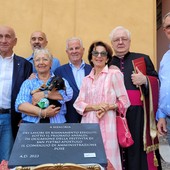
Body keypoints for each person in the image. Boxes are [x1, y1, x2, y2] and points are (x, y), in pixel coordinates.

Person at [109, 26, 162, 170]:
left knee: (138, 151)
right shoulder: (106, 62)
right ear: (112, 43)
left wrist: (145, 80)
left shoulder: (142, 59)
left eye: (124, 39)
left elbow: (157, 82)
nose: (120, 42)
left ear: (129, 41)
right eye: (116, 40)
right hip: (114, 115)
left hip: (139, 116)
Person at [74, 41, 130, 170]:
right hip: (88, 126)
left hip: (108, 126)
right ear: (91, 57)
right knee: (88, 161)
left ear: (107, 58)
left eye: (103, 53)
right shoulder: (86, 79)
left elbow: (125, 101)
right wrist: (95, 107)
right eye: (95, 53)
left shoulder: (114, 75)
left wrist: (108, 107)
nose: (99, 56)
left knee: (109, 161)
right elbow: (78, 104)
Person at [0, 25, 32, 162]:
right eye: (0, 36)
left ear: (15, 41)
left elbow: (28, 94)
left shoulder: (25, 65)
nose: (3, 40)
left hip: (9, 118)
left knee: (7, 160)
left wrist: (22, 117)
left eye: (8, 36)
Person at [15, 48, 73, 123]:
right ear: (34, 63)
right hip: (32, 125)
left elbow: (66, 96)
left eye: (45, 59)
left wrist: (44, 94)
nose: (41, 62)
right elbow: (20, 105)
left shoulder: (60, 81)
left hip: (57, 126)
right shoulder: (28, 83)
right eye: (37, 60)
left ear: (51, 63)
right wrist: (43, 113)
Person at [54, 37, 91, 123]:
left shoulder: (92, 70)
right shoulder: (59, 71)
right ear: (67, 52)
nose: (74, 51)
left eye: (77, 48)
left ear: (83, 50)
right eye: (71, 49)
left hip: (88, 117)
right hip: (68, 118)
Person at [157, 12, 170, 145]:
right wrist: (161, 116)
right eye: (169, 26)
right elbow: (163, 87)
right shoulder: (165, 58)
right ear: (165, 30)